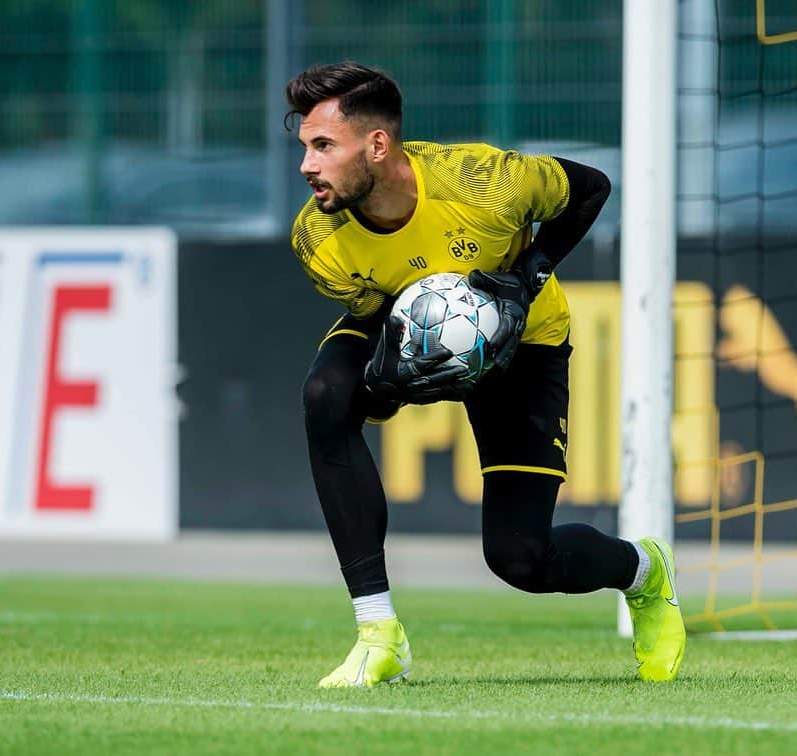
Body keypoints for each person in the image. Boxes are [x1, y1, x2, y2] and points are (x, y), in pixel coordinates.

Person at [287, 61, 685, 688]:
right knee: (326, 395)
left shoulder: (485, 183)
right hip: (403, 314)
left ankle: (644, 570)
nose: (307, 165)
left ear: (378, 143)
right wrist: (390, 387)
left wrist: (527, 278)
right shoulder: (318, 239)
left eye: (323, 145)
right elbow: (378, 325)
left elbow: (592, 187)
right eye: (305, 146)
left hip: (526, 343)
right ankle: (377, 631)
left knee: (520, 558)